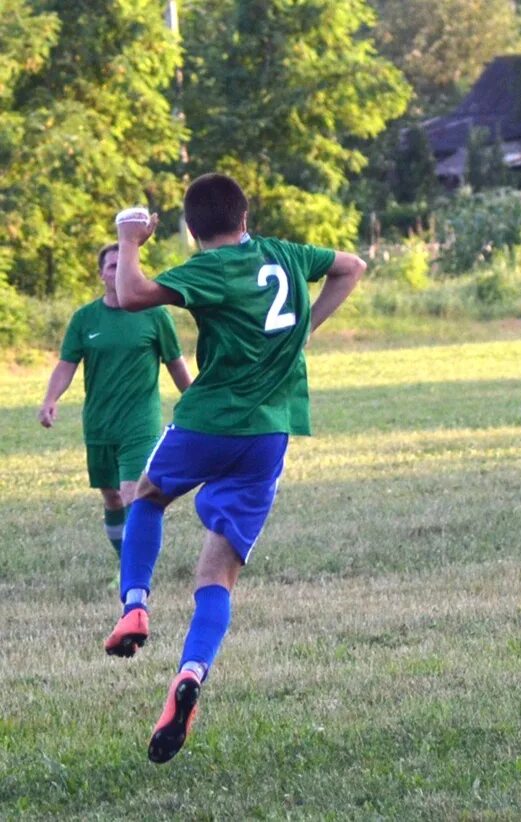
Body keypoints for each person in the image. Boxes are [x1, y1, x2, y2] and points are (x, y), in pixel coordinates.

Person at [103, 173, 365, 764]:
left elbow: (131, 294)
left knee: (145, 497)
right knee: (218, 570)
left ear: (194, 230)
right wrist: (304, 330)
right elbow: (352, 266)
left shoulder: (210, 268)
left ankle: (135, 604)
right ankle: (191, 671)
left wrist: (128, 239)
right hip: (270, 432)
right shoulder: (286, 254)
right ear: (246, 215)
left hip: (209, 420)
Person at [38, 243, 192, 559]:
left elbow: (175, 363)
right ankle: (126, 561)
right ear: (101, 275)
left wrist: (194, 400)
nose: (119, 270)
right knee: (111, 499)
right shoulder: (84, 319)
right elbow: (67, 364)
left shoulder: (156, 315)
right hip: (99, 423)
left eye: (126, 265)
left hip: (141, 423)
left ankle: (133, 572)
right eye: (112, 266)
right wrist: (50, 399)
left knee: (133, 494)